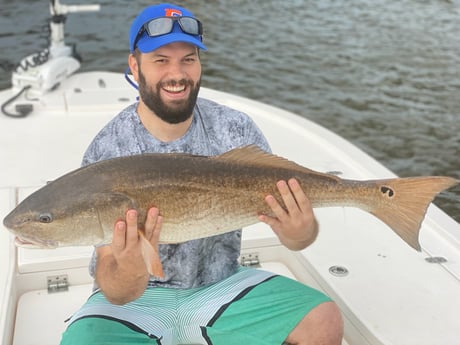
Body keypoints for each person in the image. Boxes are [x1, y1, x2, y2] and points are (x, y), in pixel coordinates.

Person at [60, 3, 343, 345]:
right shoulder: (107, 150)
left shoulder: (235, 129)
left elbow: (298, 239)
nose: (176, 74)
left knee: (323, 321)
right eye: (161, 60)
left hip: (221, 285)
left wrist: (301, 231)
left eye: (188, 59)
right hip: (136, 301)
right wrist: (129, 269)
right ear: (135, 66)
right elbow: (118, 292)